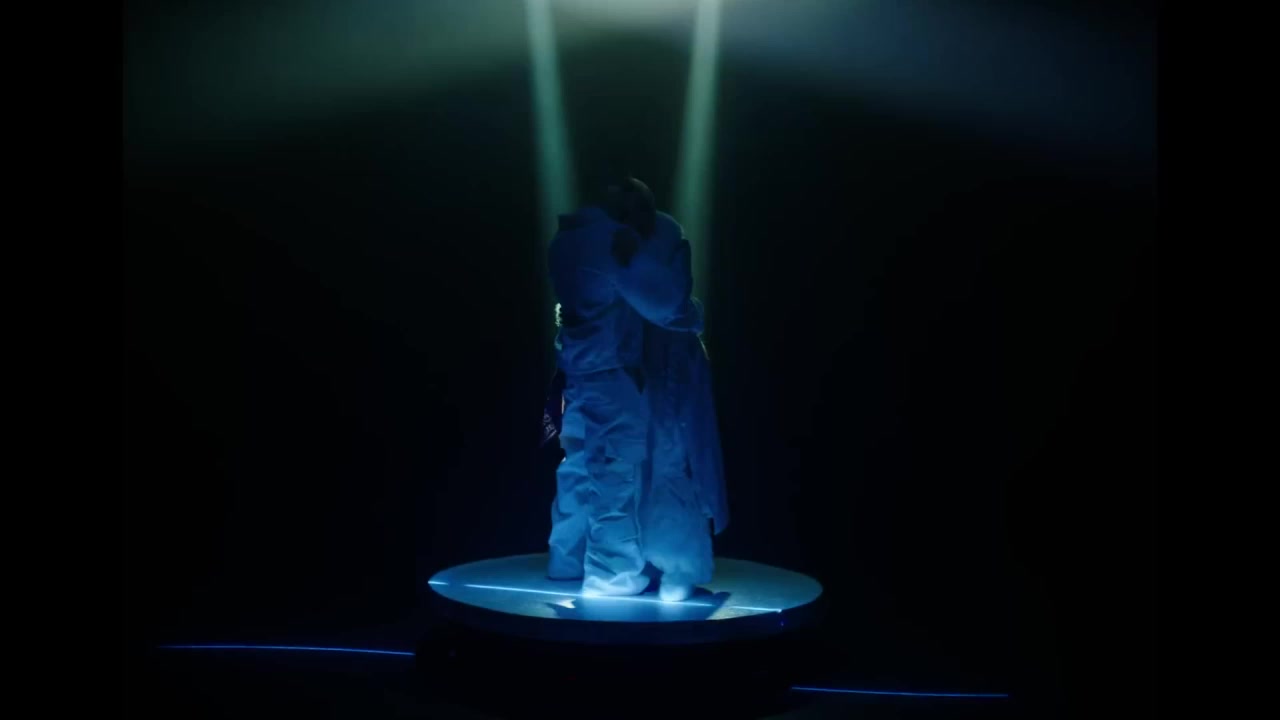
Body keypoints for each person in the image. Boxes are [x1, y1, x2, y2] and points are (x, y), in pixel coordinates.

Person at [546, 176, 703, 597]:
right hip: (611, 374)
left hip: (576, 372)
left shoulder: (565, 238)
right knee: (613, 473)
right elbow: (664, 305)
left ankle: (566, 559)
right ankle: (611, 575)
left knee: (577, 467)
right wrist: (680, 266)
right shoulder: (613, 241)